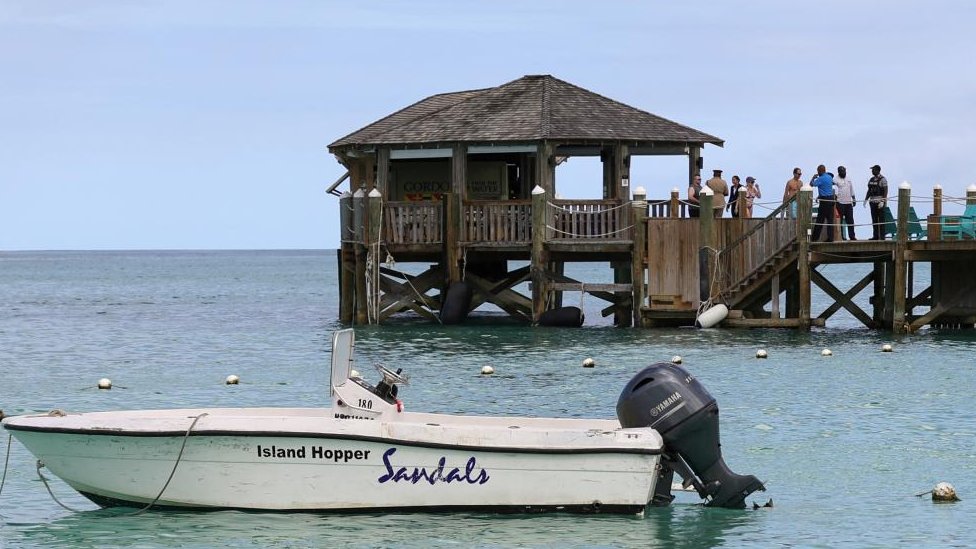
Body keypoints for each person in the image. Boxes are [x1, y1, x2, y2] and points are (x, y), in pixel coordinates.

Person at [810, 164, 835, 242]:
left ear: (820, 171)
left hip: (824, 200)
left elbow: (812, 184)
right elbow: (831, 185)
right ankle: (830, 238)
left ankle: (814, 238)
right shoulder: (830, 177)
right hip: (831, 199)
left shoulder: (820, 179)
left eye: (818, 171)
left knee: (820, 220)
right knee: (830, 220)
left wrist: (813, 178)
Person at [865, 164, 888, 240]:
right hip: (872, 202)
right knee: (874, 220)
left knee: (881, 220)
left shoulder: (883, 179)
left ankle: (882, 237)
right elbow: (869, 190)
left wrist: (883, 201)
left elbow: (885, 191)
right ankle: (875, 236)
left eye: (873, 170)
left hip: (880, 202)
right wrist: (866, 199)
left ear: (878, 170)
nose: (872, 171)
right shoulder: (871, 179)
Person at [833, 166, 856, 240]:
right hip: (840, 203)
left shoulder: (848, 178)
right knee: (840, 221)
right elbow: (835, 191)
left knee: (850, 220)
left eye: (844, 171)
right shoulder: (835, 180)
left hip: (848, 203)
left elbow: (851, 188)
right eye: (842, 171)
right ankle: (842, 236)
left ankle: (852, 236)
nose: (844, 173)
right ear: (839, 172)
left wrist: (853, 198)